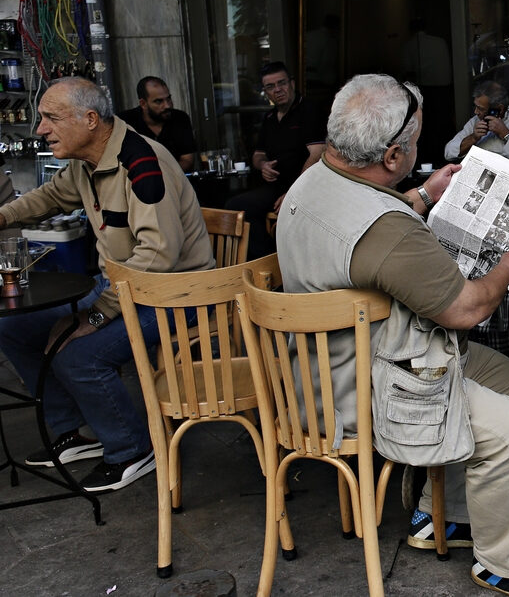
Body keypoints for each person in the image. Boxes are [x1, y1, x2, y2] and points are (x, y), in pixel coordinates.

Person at [276, 74, 509, 597]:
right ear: (392, 156)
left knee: (498, 372)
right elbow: (466, 308)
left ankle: (444, 515)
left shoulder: (312, 180)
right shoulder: (386, 227)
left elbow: (364, 233)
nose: (418, 149)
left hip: (312, 370)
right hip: (365, 391)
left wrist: (420, 194)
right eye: (413, 143)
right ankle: (506, 565)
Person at [0, 77, 214, 493]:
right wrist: (4, 217)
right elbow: (47, 198)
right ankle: (74, 431)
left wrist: (95, 316)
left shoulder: (141, 162)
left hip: (175, 295)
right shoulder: (87, 161)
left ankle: (132, 448)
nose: (40, 128)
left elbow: (157, 258)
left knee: (78, 352)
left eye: (51, 118)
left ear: (90, 120)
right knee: (14, 328)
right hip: (124, 287)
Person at [225, 61, 326, 259]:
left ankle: (278, 264)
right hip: (276, 187)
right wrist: (263, 165)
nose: (278, 90)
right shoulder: (270, 117)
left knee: (289, 216)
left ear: (292, 84)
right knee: (235, 206)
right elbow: (258, 155)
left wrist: (294, 193)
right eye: (270, 87)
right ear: (265, 91)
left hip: (306, 187)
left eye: (282, 83)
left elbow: (317, 154)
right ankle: (267, 263)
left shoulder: (308, 111)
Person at [116, 76, 197, 172]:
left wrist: (165, 176)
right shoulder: (125, 121)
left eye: (168, 99)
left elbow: (187, 160)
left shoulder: (180, 118)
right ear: (143, 103)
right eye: (159, 101)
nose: (167, 105)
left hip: (175, 180)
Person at [443, 81, 509, 162]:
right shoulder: (475, 121)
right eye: (475, 106)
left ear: (499, 109)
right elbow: (448, 153)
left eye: (481, 109)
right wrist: (473, 138)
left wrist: (506, 135)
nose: (476, 112)